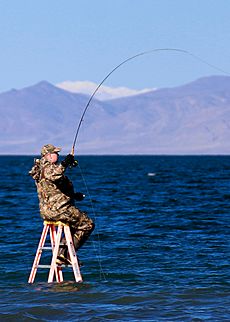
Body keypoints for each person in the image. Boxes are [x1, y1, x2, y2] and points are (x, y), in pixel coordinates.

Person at [29, 144, 95, 265]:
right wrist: (65, 163)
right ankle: (67, 254)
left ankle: (62, 254)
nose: (57, 155)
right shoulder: (47, 168)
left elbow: (53, 190)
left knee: (74, 224)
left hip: (48, 211)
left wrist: (74, 196)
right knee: (88, 224)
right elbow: (54, 174)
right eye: (55, 153)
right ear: (48, 155)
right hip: (59, 210)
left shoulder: (40, 169)